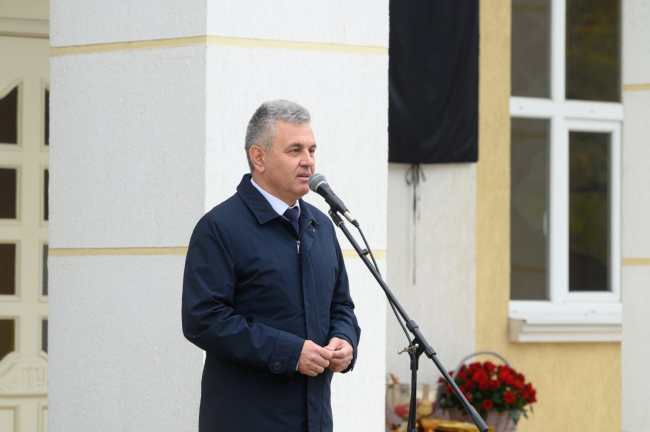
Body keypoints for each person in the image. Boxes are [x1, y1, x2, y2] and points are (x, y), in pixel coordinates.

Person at [182, 100, 361, 432]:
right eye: (295, 150)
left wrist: (344, 338)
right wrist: (290, 352)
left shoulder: (321, 226)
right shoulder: (220, 227)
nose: (308, 161)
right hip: (248, 420)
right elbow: (203, 319)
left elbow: (341, 304)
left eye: (311, 150)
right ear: (259, 158)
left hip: (315, 419)